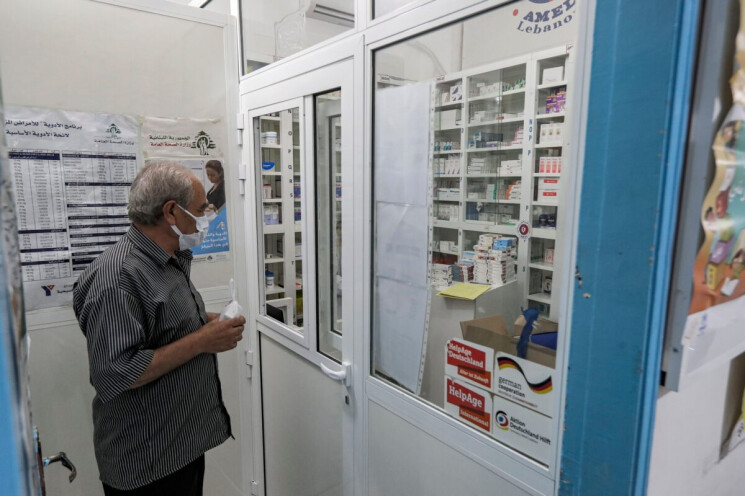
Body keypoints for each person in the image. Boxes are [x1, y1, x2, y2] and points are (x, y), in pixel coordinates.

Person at [73, 160, 245, 496]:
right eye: (201, 209)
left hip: (181, 445)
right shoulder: (118, 278)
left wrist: (206, 322)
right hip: (147, 461)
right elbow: (117, 373)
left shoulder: (168, 259)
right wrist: (202, 340)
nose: (206, 216)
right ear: (171, 212)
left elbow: (162, 324)